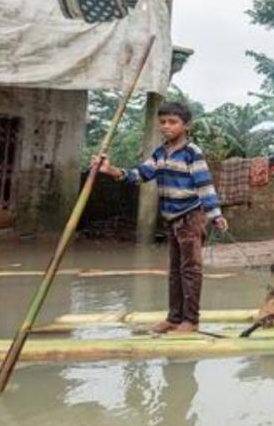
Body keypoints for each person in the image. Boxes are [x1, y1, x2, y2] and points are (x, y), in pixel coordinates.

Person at [93, 101, 227, 334]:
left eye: (172, 122)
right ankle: (174, 318)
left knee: (190, 270)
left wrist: (215, 215)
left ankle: (191, 321)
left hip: (191, 217)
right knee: (175, 271)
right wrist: (110, 170)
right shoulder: (160, 153)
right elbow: (138, 175)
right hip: (173, 219)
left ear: (186, 126)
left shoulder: (192, 153)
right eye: (163, 122)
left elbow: (205, 185)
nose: (166, 126)